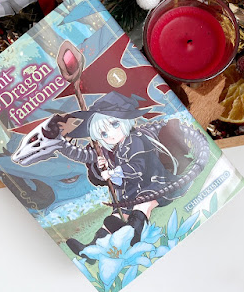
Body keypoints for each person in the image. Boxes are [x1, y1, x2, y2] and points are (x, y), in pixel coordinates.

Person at [66, 92, 195, 260]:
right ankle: (91, 251)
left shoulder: (136, 140)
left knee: (142, 205)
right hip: (131, 193)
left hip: (153, 184)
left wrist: (112, 172)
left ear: (125, 120)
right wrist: (102, 167)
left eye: (114, 124)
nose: (111, 134)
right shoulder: (112, 151)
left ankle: (134, 234)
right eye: (103, 134)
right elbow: (109, 178)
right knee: (114, 217)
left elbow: (137, 168)